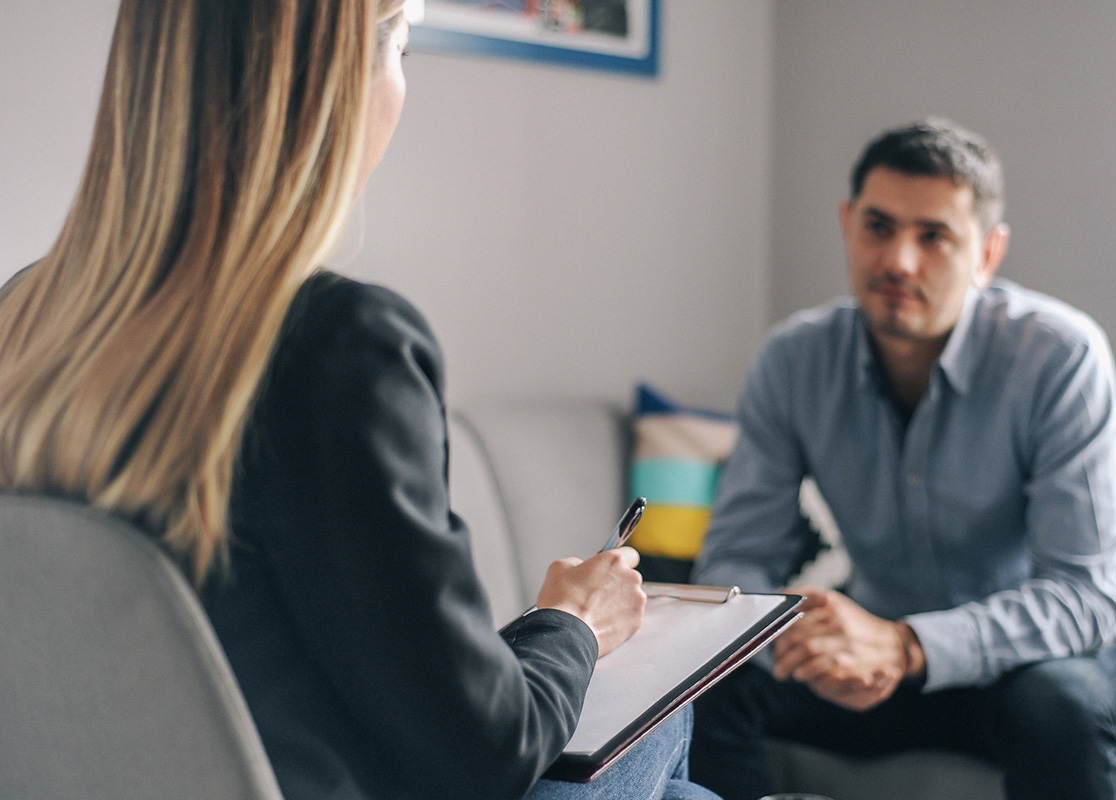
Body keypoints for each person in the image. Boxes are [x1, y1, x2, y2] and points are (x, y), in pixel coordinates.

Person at [0, 2, 718, 799]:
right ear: (336, 81)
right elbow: (488, 753)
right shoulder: (335, 348)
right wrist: (575, 623)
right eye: (402, 46)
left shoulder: (24, 322)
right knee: (662, 700)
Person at [687, 119, 1116, 800]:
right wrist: (802, 634)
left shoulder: (1059, 357)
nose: (899, 261)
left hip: (1036, 663)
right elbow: (732, 562)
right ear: (847, 224)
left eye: (934, 236)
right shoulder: (793, 361)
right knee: (705, 684)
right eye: (878, 226)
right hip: (874, 664)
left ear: (987, 254)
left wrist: (905, 645)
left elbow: (1084, 599)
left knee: (1060, 705)